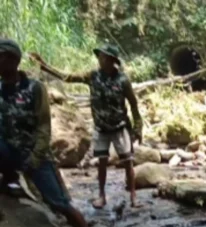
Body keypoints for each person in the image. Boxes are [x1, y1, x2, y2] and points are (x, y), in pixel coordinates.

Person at [0, 39, 99, 227]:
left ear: (13, 60)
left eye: (1, 57)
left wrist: (35, 157)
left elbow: (44, 126)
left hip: (35, 153)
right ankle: (9, 180)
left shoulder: (34, 88)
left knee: (59, 203)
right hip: (8, 151)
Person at [30, 44, 143, 209]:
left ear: (112, 61)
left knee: (127, 162)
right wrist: (45, 66)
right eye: (100, 56)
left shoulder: (122, 80)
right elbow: (68, 77)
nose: (100, 59)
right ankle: (101, 196)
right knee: (102, 163)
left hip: (120, 126)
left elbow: (133, 104)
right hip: (101, 127)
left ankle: (134, 196)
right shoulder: (92, 76)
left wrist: (138, 128)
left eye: (104, 57)